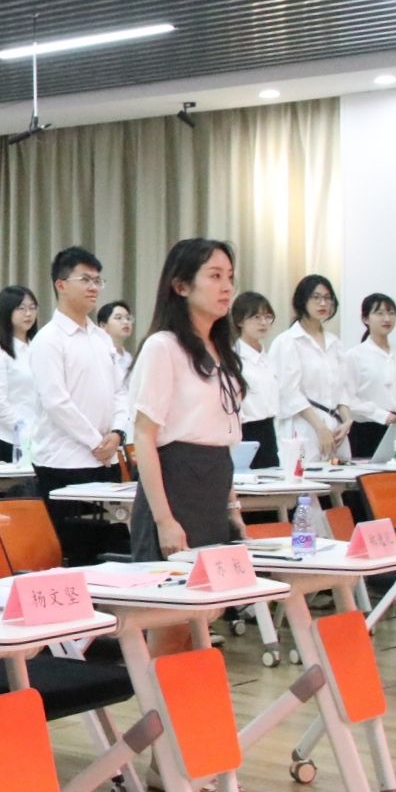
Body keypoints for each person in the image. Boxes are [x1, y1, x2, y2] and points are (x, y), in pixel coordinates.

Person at [129, 240, 246, 561]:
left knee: (216, 591)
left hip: (215, 484)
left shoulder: (222, 352)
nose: (227, 287)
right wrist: (164, 521)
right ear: (181, 286)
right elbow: (144, 436)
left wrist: (233, 507)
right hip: (175, 488)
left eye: (230, 277)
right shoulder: (163, 346)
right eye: (215, 276)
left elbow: (219, 437)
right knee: (174, 588)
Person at [30, 247, 131, 564]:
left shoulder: (101, 338)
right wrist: (95, 441)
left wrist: (117, 433)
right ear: (61, 284)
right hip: (64, 463)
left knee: (113, 552)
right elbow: (56, 402)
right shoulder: (49, 339)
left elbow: (120, 392)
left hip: (105, 459)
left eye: (98, 281)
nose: (94, 287)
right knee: (79, 555)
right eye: (85, 280)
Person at [269, 274, 353, 462]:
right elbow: (289, 392)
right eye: (316, 297)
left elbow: (343, 389)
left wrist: (347, 421)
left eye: (327, 298)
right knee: (306, 476)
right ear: (302, 301)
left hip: (336, 428)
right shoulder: (287, 342)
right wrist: (320, 428)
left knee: (341, 478)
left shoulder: (335, 343)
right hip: (304, 427)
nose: (323, 303)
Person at [347, 293, 396, 459]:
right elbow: (349, 399)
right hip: (368, 429)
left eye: (391, 313)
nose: (387, 318)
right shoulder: (355, 355)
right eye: (379, 313)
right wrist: (381, 415)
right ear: (365, 319)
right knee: (371, 473)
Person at [0, 285, 41, 464]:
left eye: (32, 308)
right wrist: (24, 430)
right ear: (7, 312)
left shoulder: (39, 348)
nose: (28, 314)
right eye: (21, 308)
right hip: (6, 439)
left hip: (38, 438)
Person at [232, 291, 281, 469]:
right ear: (240, 321)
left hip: (269, 429)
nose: (263, 322)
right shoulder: (233, 358)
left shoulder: (268, 357)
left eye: (268, 317)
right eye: (256, 317)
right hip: (245, 431)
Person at [97, 299, 135, 386]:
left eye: (128, 318)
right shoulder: (100, 355)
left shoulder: (129, 358)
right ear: (103, 325)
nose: (126, 322)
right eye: (118, 318)